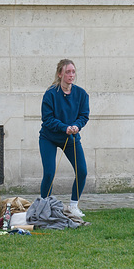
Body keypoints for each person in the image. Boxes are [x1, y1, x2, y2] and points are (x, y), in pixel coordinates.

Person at [39, 58, 89, 218]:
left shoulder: (81, 94)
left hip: (71, 138)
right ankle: (43, 206)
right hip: (49, 138)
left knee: (82, 171)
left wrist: (76, 126)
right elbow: (47, 119)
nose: (71, 75)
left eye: (73, 72)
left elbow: (84, 115)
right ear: (60, 74)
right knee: (49, 173)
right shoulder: (50, 94)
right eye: (68, 72)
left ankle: (73, 206)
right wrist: (64, 127)